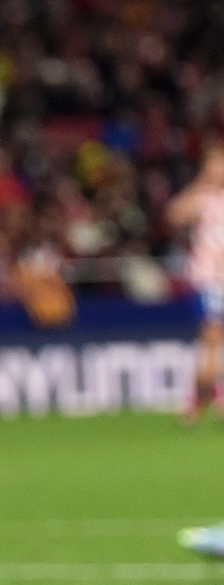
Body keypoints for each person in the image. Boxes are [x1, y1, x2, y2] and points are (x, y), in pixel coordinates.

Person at [171, 144, 224, 555]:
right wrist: (201, 183)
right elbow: (174, 215)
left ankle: (202, 398)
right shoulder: (204, 198)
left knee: (213, 345)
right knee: (211, 342)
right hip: (211, 282)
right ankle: (201, 397)